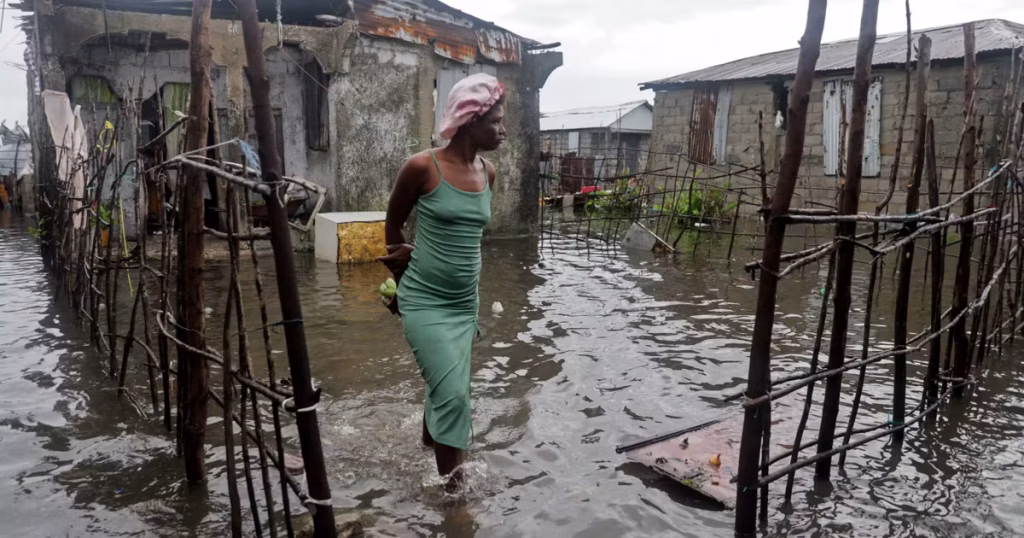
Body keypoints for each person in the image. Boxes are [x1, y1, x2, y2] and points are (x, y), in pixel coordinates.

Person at [378, 73, 506, 489]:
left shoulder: (489, 173)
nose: (502, 130)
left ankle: (427, 446)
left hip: (464, 303)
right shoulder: (422, 167)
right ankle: (455, 498)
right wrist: (399, 280)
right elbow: (394, 223)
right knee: (454, 394)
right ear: (470, 121)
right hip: (424, 300)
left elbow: (462, 240)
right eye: (495, 122)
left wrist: (423, 250)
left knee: (446, 384)